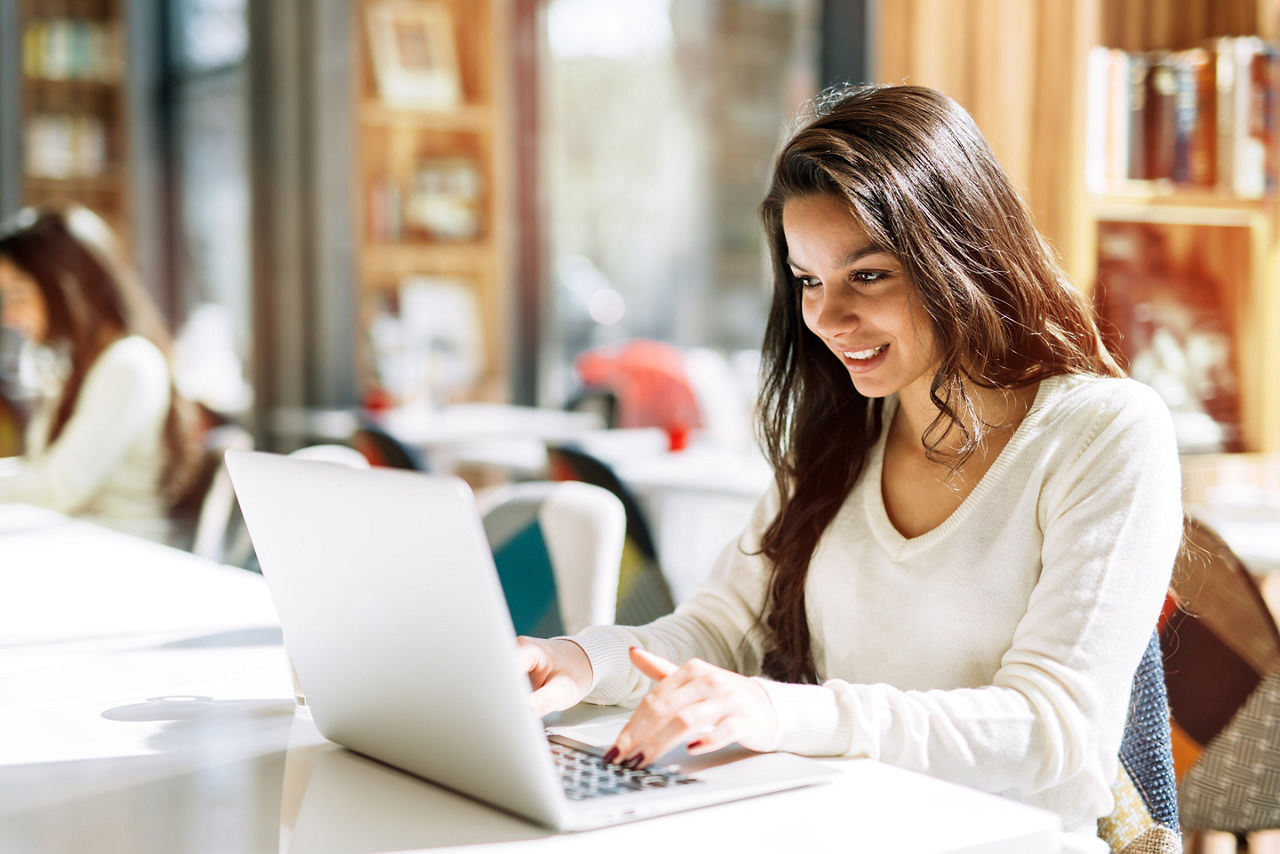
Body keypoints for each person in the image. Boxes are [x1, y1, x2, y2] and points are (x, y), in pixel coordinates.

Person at [517, 85, 1182, 853]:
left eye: (866, 275)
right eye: (807, 280)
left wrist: (779, 713)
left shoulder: (1104, 433)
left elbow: (1054, 729)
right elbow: (721, 630)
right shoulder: (845, 433)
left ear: (959, 254)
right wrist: (575, 660)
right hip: (837, 827)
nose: (828, 318)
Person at [0, 204, 201, 541]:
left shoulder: (129, 364)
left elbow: (60, 488)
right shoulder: (83, 364)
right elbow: (43, 473)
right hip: (78, 543)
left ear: (65, 286)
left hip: (119, 555)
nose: (9, 316)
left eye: (18, 295)